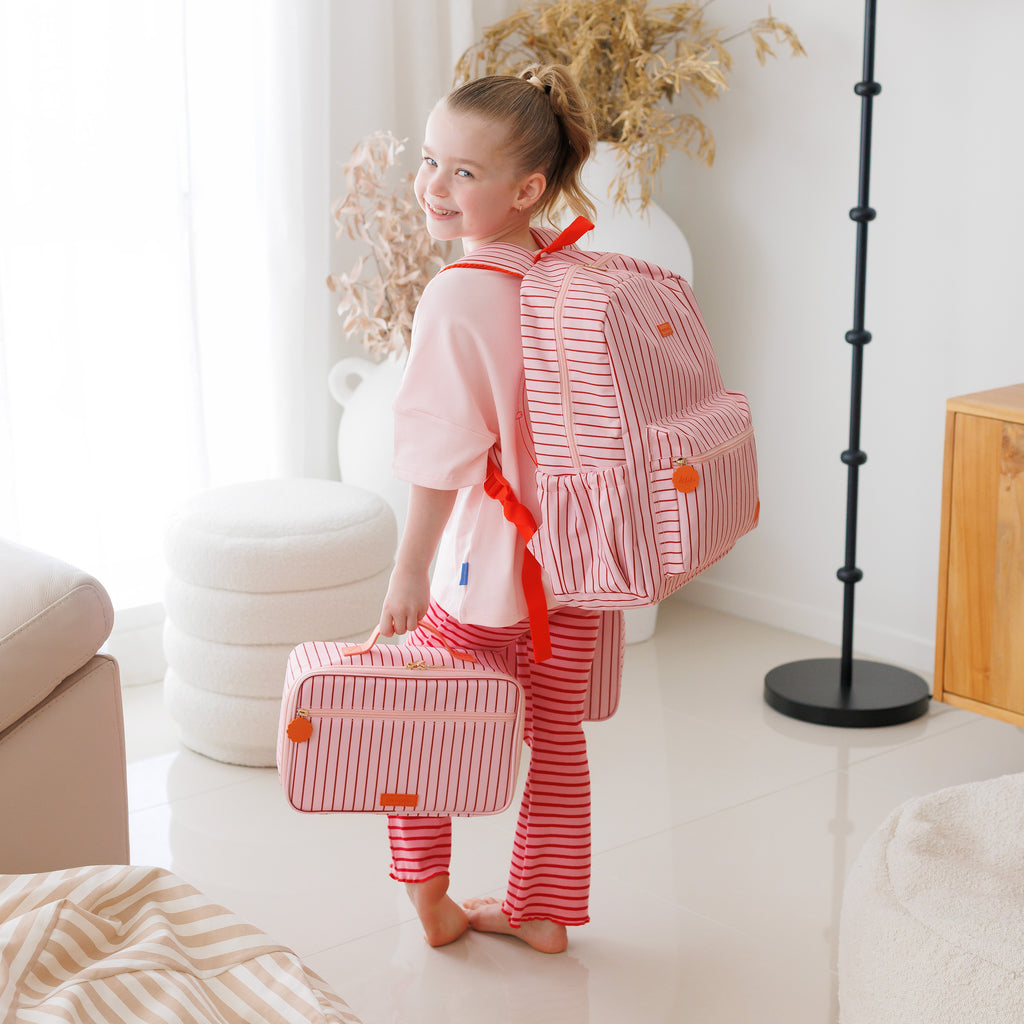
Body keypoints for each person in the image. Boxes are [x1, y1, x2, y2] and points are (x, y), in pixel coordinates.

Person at [376, 63, 600, 955]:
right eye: (431, 159)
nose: (434, 185)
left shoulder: (462, 292)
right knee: (555, 738)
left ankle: (432, 901)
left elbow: (441, 454)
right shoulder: (567, 267)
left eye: (463, 172)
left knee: (422, 724)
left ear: (526, 190)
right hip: (582, 561)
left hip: (492, 570)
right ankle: (544, 911)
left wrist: (408, 572)